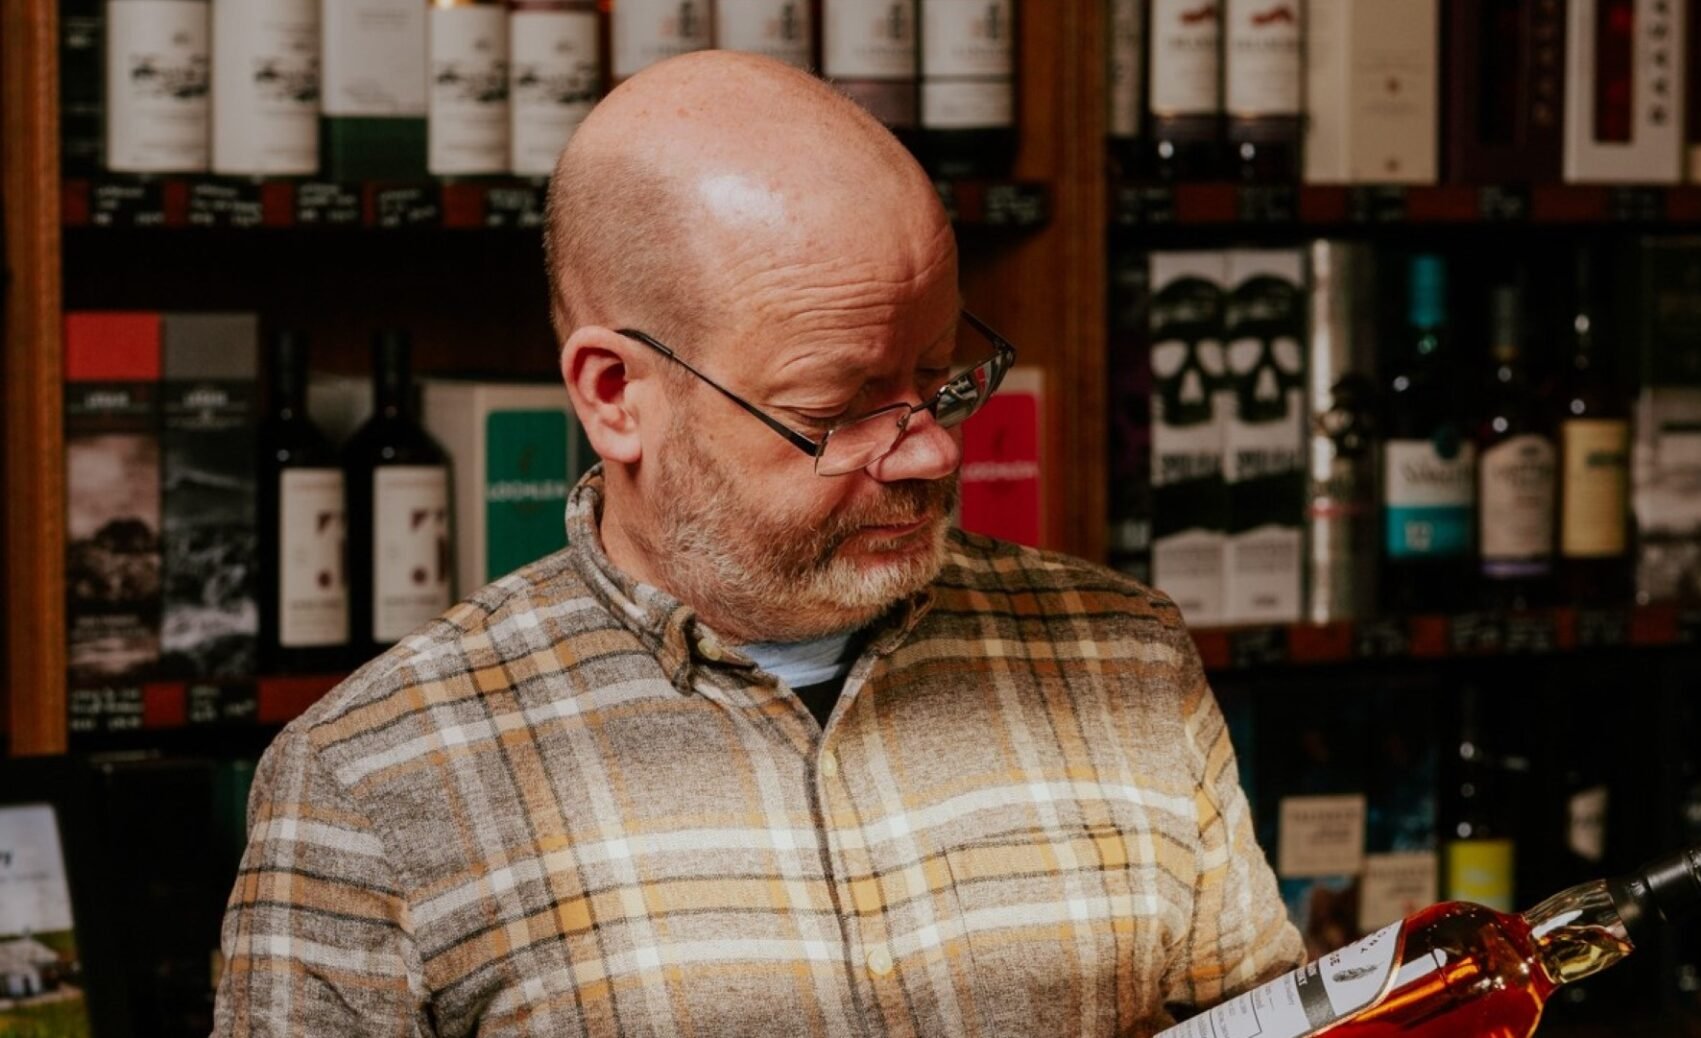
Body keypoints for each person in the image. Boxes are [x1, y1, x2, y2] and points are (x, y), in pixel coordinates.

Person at [213, 51, 1299, 1037]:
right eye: (837, 407)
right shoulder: (369, 782)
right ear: (615, 395)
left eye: (937, 376)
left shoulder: (1127, 660)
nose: (927, 454)